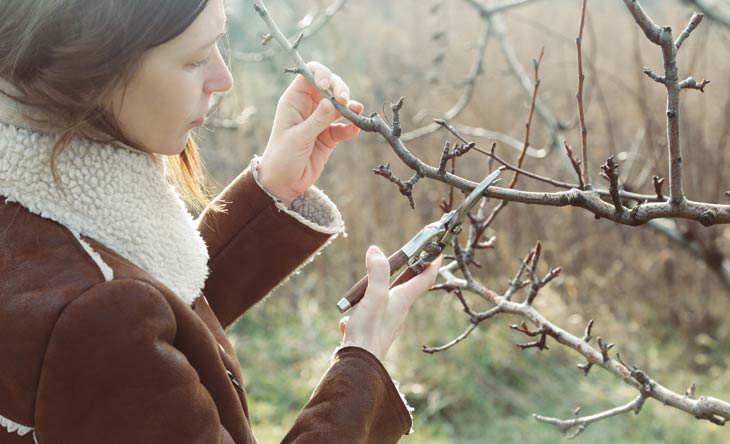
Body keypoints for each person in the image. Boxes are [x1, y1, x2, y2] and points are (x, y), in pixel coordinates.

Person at [0, 0, 442, 443]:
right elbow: (118, 323)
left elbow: (153, 323)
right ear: (93, 64)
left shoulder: (37, 217)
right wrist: (362, 365)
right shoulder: (95, 316)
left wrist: (272, 187)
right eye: (194, 60)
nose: (223, 79)